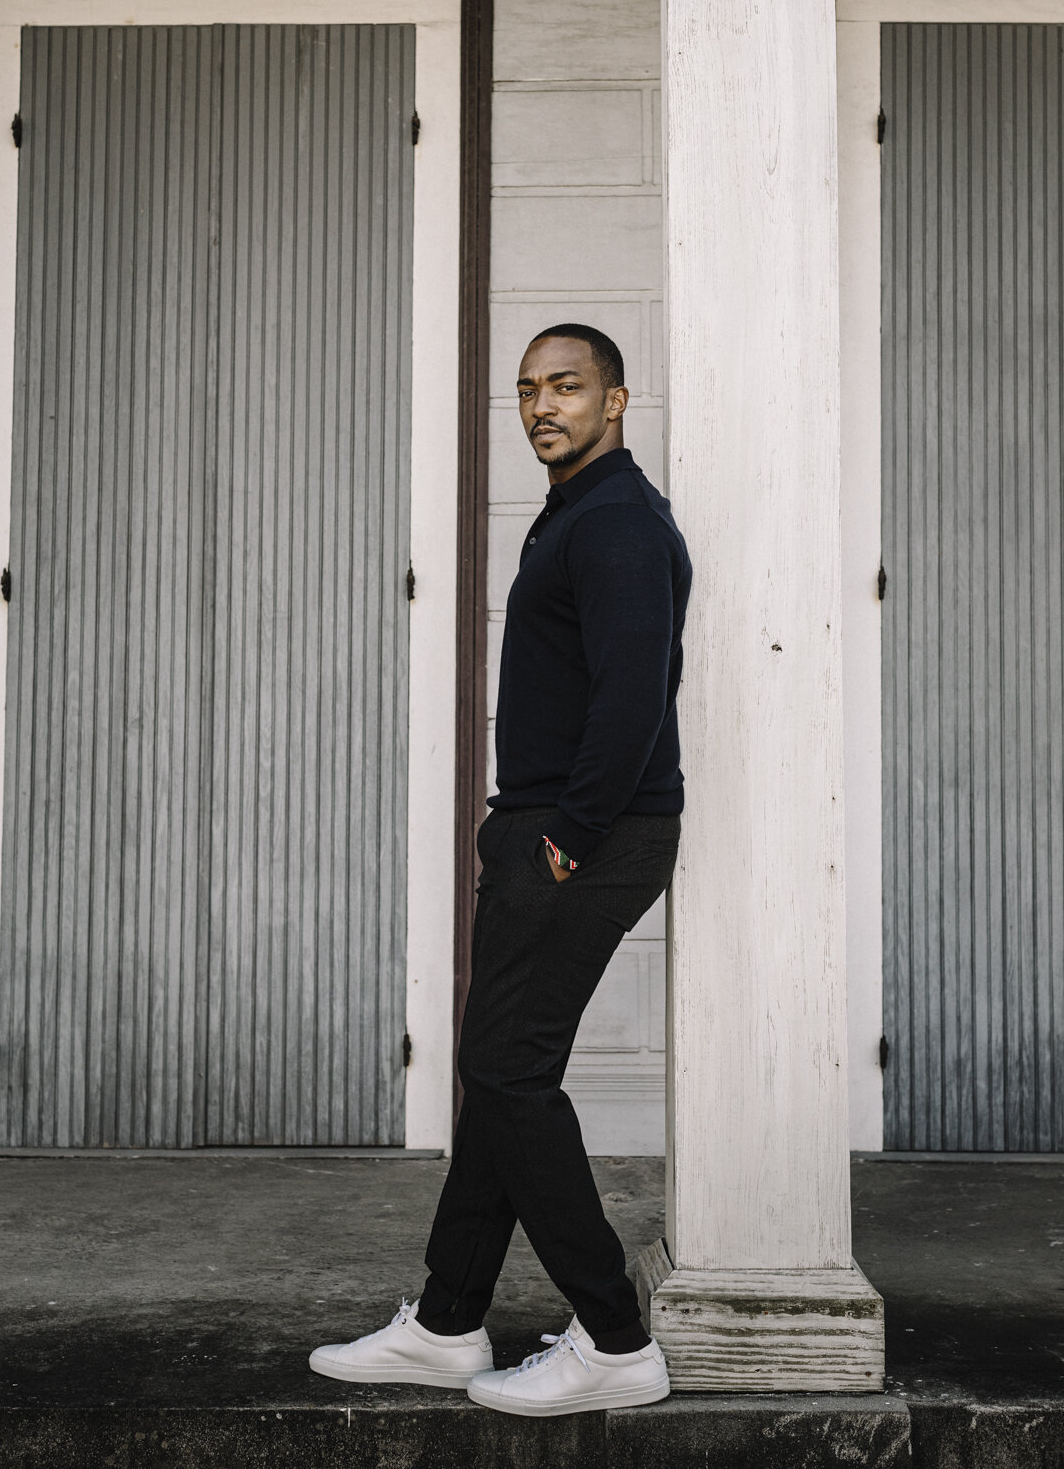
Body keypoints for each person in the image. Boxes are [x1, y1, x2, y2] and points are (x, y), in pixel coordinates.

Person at [310, 323, 691, 1417]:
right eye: (528, 391)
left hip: (586, 836)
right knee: (499, 1067)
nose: (542, 407)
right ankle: (445, 1324)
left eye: (567, 387)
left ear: (616, 402)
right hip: (551, 829)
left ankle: (614, 1342)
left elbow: (632, 699)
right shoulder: (578, 513)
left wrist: (564, 834)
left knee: (510, 1071)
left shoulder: (616, 522)